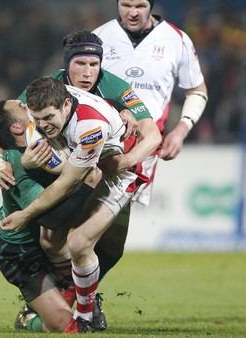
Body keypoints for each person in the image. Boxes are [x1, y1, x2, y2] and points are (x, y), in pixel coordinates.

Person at [0, 31, 161, 331]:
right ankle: (83, 305)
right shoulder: (43, 91)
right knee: (62, 240)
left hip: (113, 170)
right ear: (66, 65)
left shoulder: (112, 91)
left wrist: (125, 160)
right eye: (79, 63)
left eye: (93, 64)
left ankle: (76, 298)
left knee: (109, 249)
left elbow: (153, 134)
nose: (87, 72)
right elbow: (7, 125)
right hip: (82, 169)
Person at [0, 99, 104, 333]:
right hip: (21, 253)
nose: (25, 102)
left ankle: (74, 295)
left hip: (48, 244)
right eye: (20, 105)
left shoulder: (44, 135)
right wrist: (87, 187)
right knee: (69, 327)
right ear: (17, 128)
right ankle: (29, 320)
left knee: (91, 252)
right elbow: (50, 219)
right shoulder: (16, 167)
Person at [93, 0, 208, 206]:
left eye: (140, 6)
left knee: (117, 219)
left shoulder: (176, 40)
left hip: (146, 145)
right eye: (126, 5)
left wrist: (181, 130)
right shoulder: (100, 37)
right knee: (91, 216)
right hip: (101, 140)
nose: (133, 12)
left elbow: (197, 91)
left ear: (152, 6)